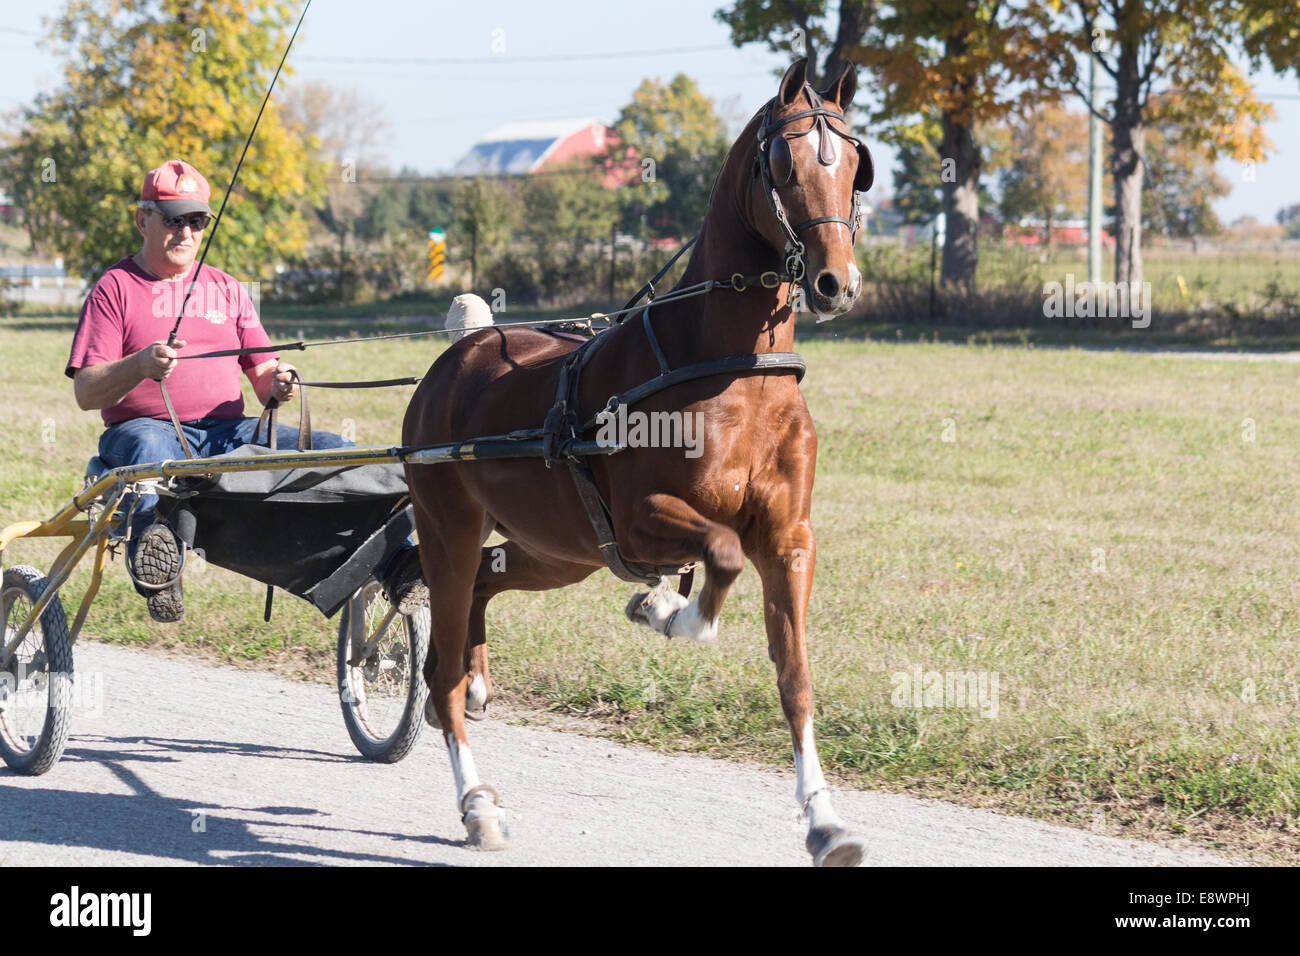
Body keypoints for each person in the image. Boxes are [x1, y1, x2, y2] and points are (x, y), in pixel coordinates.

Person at [66, 159, 426, 623]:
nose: (186, 232)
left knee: (339, 452)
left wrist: (280, 380)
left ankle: (399, 563)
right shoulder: (114, 288)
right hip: (142, 429)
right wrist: (140, 364)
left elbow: (263, 376)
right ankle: (159, 562)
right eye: (173, 219)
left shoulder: (228, 289)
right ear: (143, 219)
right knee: (151, 451)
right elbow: (87, 392)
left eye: (196, 221)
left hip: (229, 433)